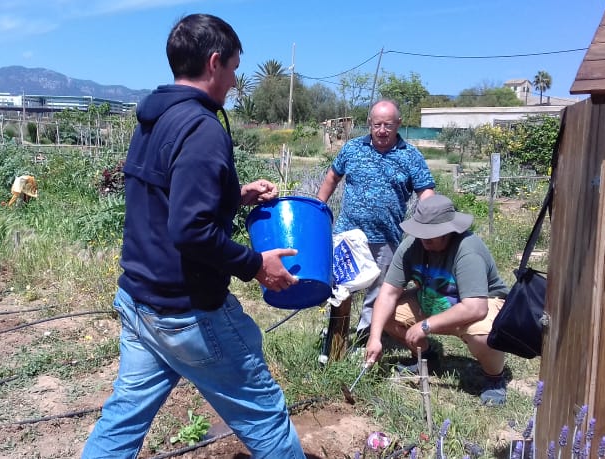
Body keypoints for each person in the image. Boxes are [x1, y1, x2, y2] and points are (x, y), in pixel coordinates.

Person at [81, 14, 306, 459]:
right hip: (188, 312)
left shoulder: (154, 118)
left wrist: (233, 195)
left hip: (140, 299)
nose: (235, 79)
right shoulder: (203, 129)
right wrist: (257, 265)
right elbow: (190, 230)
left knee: (123, 420)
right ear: (215, 62)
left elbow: (169, 197)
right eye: (235, 68)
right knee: (265, 416)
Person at [364, 194, 511, 405]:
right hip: (433, 299)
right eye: (421, 234)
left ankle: (495, 378)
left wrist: (425, 325)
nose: (424, 240)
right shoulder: (410, 248)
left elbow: (475, 308)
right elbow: (387, 294)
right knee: (385, 314)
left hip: (481, 305)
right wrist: (375, 337)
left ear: (448, 231)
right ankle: (426, 357)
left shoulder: (467, 249)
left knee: (482, 334)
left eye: (430, 236)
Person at [316, 99, 435, 346]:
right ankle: (334, 337)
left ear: (398, 125)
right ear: (369, 123)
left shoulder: (411, 156)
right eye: (377, 124)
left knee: (378, 293)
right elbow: (332, 177)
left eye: (388, 125)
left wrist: (433, 221)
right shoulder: (352, 149)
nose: (382, 130)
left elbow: (425, 192)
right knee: (341, 288)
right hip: (348, 234)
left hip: (387, 238)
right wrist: (319, 207)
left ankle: (365, 338)